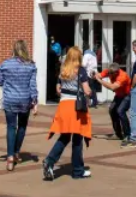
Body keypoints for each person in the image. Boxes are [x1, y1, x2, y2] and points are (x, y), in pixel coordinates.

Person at [43, 47, 93, 181]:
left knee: (64, 137)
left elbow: (58, 89)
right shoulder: (80, 70)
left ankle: (50, 160)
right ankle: (78, 171)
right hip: (76, 108)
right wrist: (90, 93)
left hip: (63, 105)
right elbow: (87, 90)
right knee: (77, 139)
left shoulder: (63, 70)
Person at [0, 40, 38, 171]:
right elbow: (32, 85)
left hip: (10, 100)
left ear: (13, 49)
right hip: (25, 99)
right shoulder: (31, 65)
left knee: (10, 127)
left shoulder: (5, 64)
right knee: (22, 126)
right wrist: (35, 100)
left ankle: (9, 156)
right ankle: (16, 151)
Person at [97, 63, 131, 140]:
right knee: (112, 110)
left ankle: (128, 134)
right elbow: (99, 75)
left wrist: (99, 81)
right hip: (118, 95)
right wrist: (95, 75)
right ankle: (118, 134)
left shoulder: (123, 76)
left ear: (117, 72)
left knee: (120, 111)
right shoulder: (109, 71)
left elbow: (112, 87)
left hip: (127, 96)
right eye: (109, 73)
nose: (110, 75)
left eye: (112, 74)